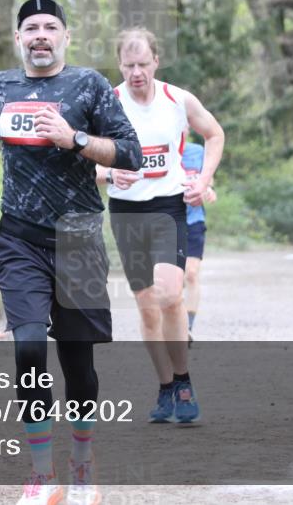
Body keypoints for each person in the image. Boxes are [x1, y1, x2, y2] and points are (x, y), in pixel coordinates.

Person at [0, 0, 141, 505]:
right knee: (27, 348)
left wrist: (76, 138)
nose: (40, 35)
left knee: (78, 362)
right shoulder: (0, 87)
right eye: (31, 28)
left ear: (65, 36)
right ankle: (42, 476)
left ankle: (82, 465)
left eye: (50, 27)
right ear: (18, 37)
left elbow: (128, 151)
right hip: (19, 238)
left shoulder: (87, 85)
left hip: (80, 235)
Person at [96, 27, 224, 424]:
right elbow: (84, 157)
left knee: (171, 294)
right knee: (147, 306)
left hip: (168, 206)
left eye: (143, 64)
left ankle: (183, 379)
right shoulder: (107, 102)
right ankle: (166, 386)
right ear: (120, 64)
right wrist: (109, 175)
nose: (136, 72)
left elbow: (215, 134)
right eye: (129, 64)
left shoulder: (177, 100)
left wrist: (202, 180)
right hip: (127, 212)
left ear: (156, 62)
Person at [180, 137, 217, 347]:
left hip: (194, 219)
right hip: (167, 220)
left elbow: (208, 178)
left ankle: (188, 328)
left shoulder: (197, 151)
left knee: (191, 273)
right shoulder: (162, 149)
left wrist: (208, 189)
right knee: (173, 279)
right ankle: (174, 324)